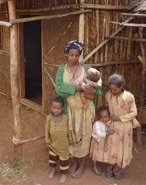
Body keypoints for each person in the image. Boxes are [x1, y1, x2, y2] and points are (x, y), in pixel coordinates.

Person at [55, 40, 102, 179]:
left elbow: (99, 90)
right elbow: (59, 89)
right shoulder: (61, 69)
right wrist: (76, 88)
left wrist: (90, 89)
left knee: (84, 135)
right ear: (66, 55)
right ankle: (75, 161)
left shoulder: (88, 68)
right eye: (71, 55)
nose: (74, 57)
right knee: (73, 136)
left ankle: (81, 165)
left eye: (77, 55)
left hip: (85, 110)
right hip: (70, 110)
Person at [103, 74, 139, 179]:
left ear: (121, 86)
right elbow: (109, 109)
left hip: (125, 127)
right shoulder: (108, 95)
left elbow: (134, 113)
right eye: (111, 89)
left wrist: (119, 118)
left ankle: (117, 170)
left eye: (115, 89)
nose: (112, 92)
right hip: (113, 126)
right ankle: (110, 169)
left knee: (123, 150)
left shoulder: (129, 96)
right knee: (112, 148)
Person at [45, 96, 72, 184]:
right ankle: (53, 170)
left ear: (62, 108)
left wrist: (70, 141)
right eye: (54, 108)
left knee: (64, 161)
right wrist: (47, 140)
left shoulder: (65, 118)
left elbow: (69, 130)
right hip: (53, 144)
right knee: (52, 159)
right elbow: (46, 130)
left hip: (63, 146)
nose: (56, 110)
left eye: (58, 108)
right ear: (51, 107)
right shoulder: (49, 118)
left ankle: (63, 174)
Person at [89, 105, 113, 175]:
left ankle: (98, 164)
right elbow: (99, 134)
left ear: (109, 116)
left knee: (100, 153)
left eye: (105, 117)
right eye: (101, 117)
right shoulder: (97, 124)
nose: (104, 119)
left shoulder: (108, 123)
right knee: (95, 155)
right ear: (99, 117)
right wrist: (108, 133)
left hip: (102, 142)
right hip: (97, 141)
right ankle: (94, 166)